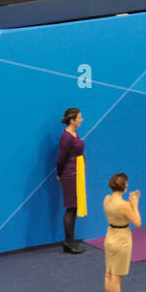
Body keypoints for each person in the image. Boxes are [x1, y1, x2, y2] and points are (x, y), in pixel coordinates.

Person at [103, 172, 141, 292]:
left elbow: (122, 213)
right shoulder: (124, 205)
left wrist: (130, 203)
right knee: (116, 278)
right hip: (122, 240)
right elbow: (137, 221)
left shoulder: (107, 199)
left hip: (110, 237)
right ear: (123, 186)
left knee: (109, 274)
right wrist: (135, 204)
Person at [56, 107, 87, 254]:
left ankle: (71, 241)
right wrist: (59, 174)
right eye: (79, 118)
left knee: (74, 207)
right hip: (70, 174)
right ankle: (68, 242)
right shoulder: (66, 137)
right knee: (71, 207)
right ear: (72, 120)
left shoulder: (74, 133)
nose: (81, 120)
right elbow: (61, 158)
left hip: (77, 172)